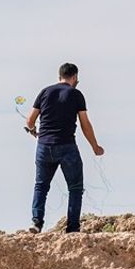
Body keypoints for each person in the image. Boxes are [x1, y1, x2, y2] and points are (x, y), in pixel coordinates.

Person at [25, 63, 105, 233]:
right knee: (75, 188)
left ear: (59, 76)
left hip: (44, 145)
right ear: (74, 77)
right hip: (67, 145)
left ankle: (36, 223)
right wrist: (95, 146)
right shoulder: (76, 94)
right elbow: (85, 124)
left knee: (41, 186)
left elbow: (30, 120)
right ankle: (73, 227)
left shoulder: (45, 92)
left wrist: (33, 131)